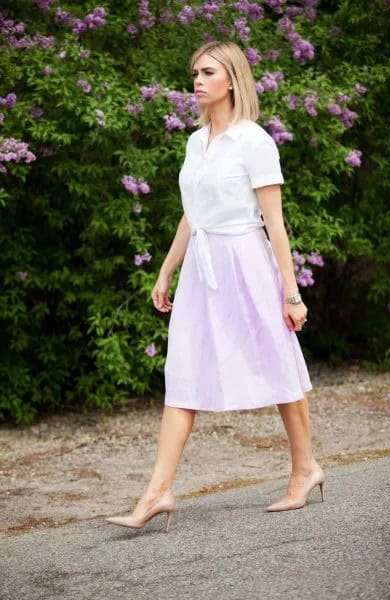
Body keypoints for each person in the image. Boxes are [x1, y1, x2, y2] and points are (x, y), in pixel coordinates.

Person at [106, 41, 325, 532]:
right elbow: (193, 214)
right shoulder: (194, 141)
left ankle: (306, 469)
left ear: (232, 80)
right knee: (182, 373)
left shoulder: (254, 140)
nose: (197, 81)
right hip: (203, 273)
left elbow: (276, 224)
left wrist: (292, 293)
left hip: (246, 265)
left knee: (278, 368)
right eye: (195, 73)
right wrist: (166, 270)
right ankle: (158, 492)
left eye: (207, 72)